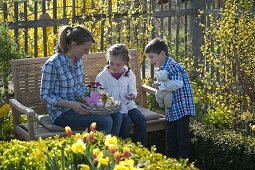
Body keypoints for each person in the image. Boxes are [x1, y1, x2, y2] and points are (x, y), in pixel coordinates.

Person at [40, 25, 122, 135]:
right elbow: (44, 95)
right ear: (74, 45)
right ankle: (100, 150)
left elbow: (79, 87)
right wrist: (71, 104)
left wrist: (96, 97)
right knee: (105, 121)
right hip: (61, 114)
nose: (87, 53)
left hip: (81, 107)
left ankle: (113, 149)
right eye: (85, 49)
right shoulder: (52, 64)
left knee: (117, 115)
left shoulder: (78, 60)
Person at [144, 38, 196, 159]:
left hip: (182, 108)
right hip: (173, 110)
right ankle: (172, 162)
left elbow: (178, 84)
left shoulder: (172, 66)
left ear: (162, 54)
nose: (150, 60)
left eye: (152, 57)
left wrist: (161, 86)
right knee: (171, 137)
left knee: (182, 138)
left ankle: (184, 163)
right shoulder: (163, 68)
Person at [95, 44, 147, 146]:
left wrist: (132, 94)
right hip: (114, 108)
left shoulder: (129, 74)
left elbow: (133, 89)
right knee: (125, 121)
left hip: (128, 105)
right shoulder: (103, 76)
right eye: (111, 63)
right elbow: (99, 91)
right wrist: (107, 100)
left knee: (140, 119)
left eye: (118, 65)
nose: (113, 67)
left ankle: (141, 147)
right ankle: (123, 147)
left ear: (125, 62)